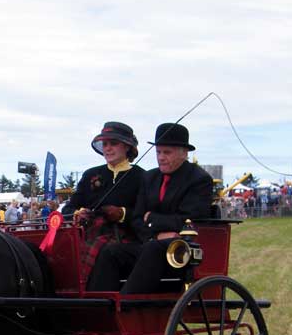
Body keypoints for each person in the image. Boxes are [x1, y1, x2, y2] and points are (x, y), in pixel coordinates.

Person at [87, 122, 213, 293]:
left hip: (181, 252)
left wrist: (152, 219)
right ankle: (99, 302)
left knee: (152, 249)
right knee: (111, 251)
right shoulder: (150, 177)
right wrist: (156, 235)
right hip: (150, 244)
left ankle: (125, 304)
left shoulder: (198, 179)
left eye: (167, 152)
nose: (161, 157)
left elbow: (190, 220)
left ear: (184, 153)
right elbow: (138, 218)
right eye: (158, 152)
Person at [64, 121, 145, 286]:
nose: (107, 148)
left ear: (127, 147)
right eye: (105, 144)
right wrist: (78, 213)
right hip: (89, 233)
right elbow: (68, 208)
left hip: (124, 237)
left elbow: (144, 214)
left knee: (104, 251)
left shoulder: (142, 177)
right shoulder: (90, 175)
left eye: (113, 143)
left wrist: (122, 214)